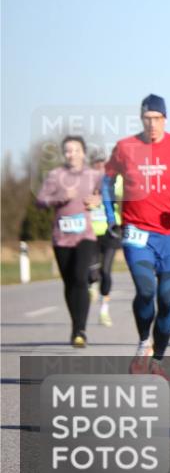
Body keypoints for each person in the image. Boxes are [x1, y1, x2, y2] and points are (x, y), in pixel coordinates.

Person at [103, 94, 170, 376]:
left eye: (157, 119)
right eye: (147, 119)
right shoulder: (125, 147)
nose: (152, 124)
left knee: (167, 299)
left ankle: (158, 359)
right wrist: (111, 217)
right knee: (146, 291)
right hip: (136, 231)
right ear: (141, 119)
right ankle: (142, 344)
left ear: (165, 119)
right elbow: (107, 182)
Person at [37, 135, 104, 347]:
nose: (71, 154)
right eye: (67, 150)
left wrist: (98, 200)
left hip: (85, 235)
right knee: (69, 282)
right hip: (61, 237)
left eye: (76, 150)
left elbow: (108, 194)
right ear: (63, 154)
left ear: (83, 153)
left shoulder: (94, 175)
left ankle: (80, 330)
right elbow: (40, 201)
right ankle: (76, 325)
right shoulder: (56, 175)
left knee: (80, 278)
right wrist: (61, 197)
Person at [87, 152, 122, 327]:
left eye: (103, 165)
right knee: (92, 272)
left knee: (106, 271)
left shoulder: (115, 180)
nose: (100, 168)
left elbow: (124, 193)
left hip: (111, 231)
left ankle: (104, 310)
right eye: (97, 165)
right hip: (90, 232)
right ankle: (92, 284)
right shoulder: (84, 182)